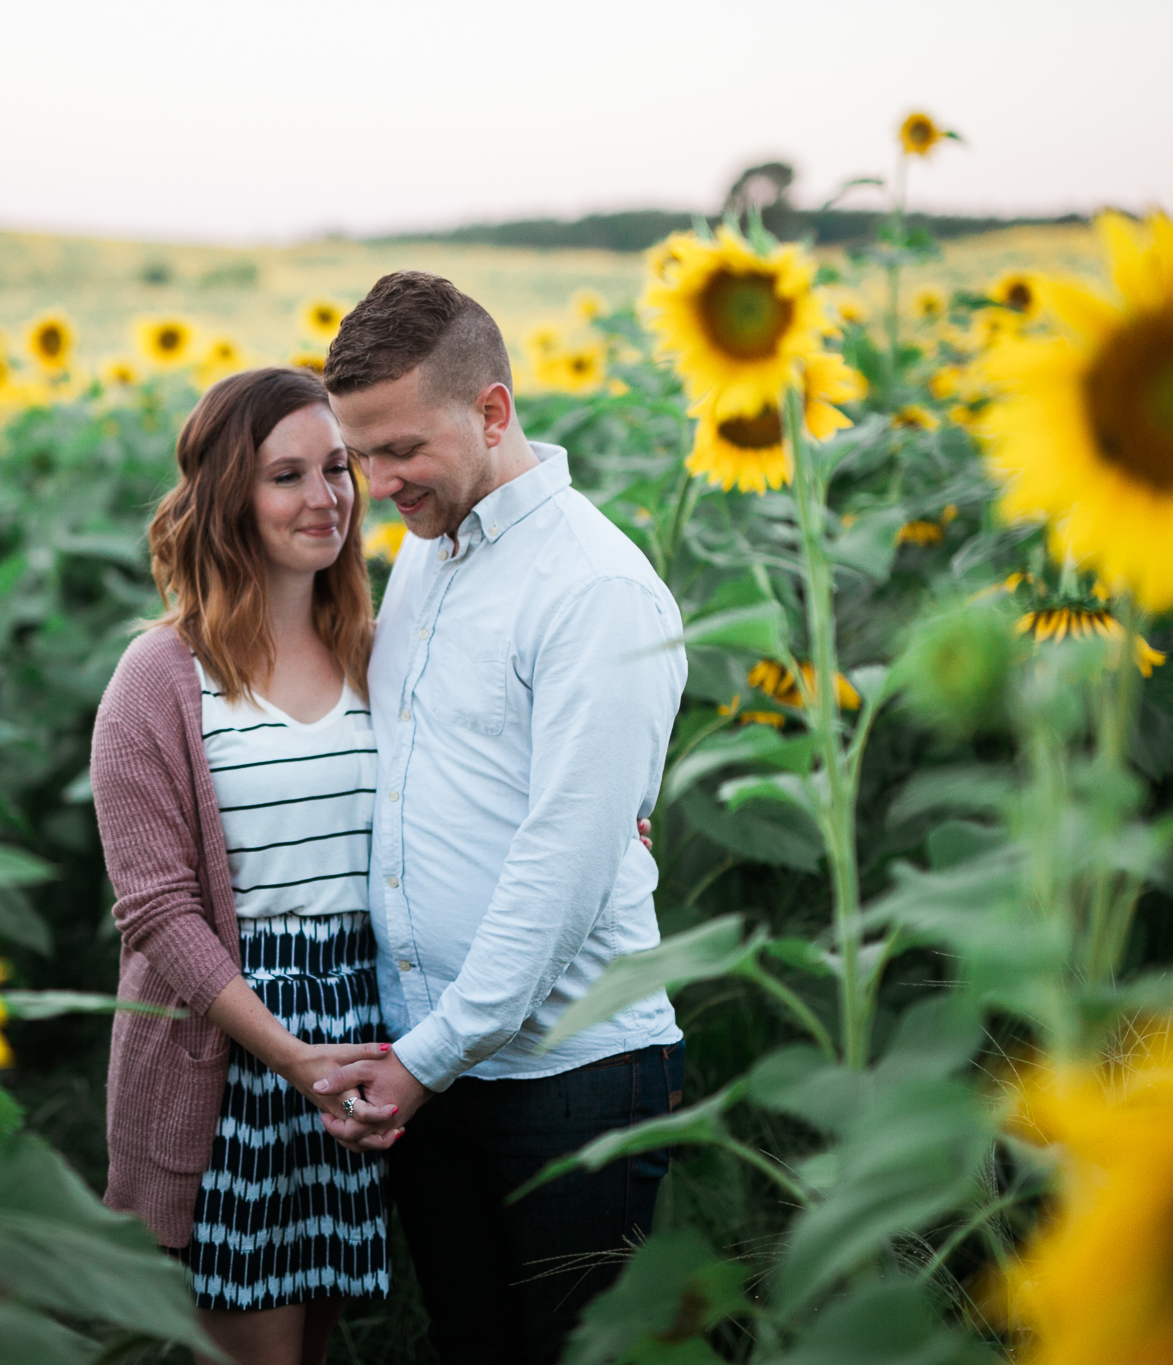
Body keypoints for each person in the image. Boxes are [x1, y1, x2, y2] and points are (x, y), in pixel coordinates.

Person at [310, 271, 689, 1365]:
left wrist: (424, 1057)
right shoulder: (429, 551)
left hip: (568, 1075)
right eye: (359, 453)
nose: (376, 484)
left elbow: (561, 865)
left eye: (399, 450)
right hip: (440, 1060)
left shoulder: (591, 589)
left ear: (491, 411)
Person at [90, 366, 399, 1365]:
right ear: (231, 495)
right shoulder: (159, 678)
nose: (325, 498)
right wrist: (287, 1055)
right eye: (286, 476)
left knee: (315, 1343)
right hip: (231, 1054)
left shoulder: (375, 651)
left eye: (337, 468)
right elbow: (156, 909)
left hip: (364, 1043)